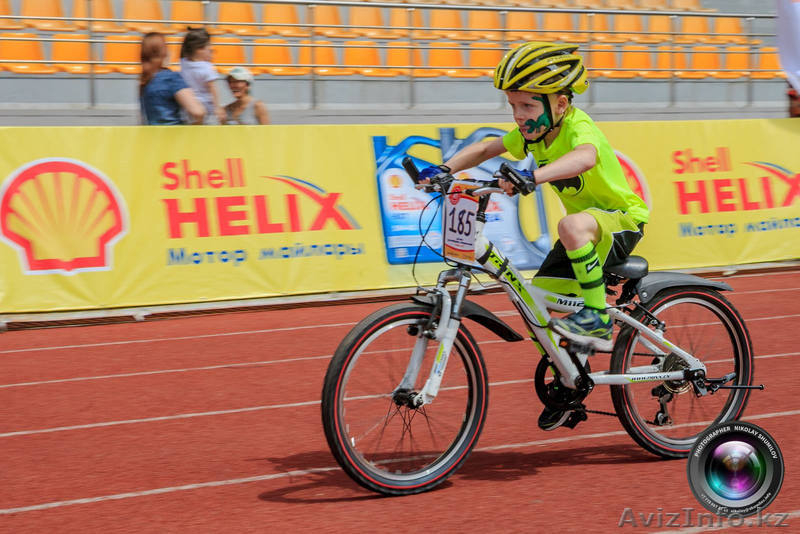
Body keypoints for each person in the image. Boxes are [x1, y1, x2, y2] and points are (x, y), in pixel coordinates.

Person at [418, 42, 650, 431]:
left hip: (622, 221)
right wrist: (444, 169)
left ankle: (597, 320)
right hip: (585, 233)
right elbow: (486, 148)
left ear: (560, 104)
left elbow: (585, 157)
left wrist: (532, 176)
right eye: (513, 106)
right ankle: (570, 376)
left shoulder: (577, 126)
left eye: (527, 105)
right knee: (532, 303)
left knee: (570, 225)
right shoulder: (533, 135)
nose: (518, 115)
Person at [139, 32, 204, 125]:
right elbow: (197, 112)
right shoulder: (171, 78)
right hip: (174, 132)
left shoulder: (144, 80)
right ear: (164, 51)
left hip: (152, 132)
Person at [179, 27, 225, 124]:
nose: (210, 51)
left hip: (189, 106)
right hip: (205, 107)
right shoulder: (207, 68)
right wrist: (217, 107)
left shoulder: (184, 62)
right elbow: (213, 88)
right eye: (209, 48)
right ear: (199, 49)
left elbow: (182, 52)